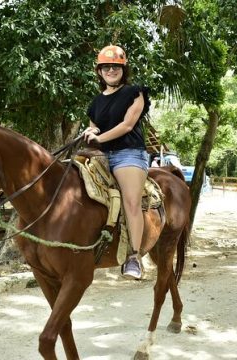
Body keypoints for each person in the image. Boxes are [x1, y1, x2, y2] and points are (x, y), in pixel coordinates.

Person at [83, 45, 151, 280]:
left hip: (128, 153)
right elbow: (95, 127)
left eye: (115, 66)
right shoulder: (95, 103)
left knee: (131, 202)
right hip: (102, 154)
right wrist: (90, 133)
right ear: (99, 71)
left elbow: (127, 125)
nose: (111, 70)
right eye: (106, 67)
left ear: (123, 69)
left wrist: (99, 137)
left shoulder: (135, 93)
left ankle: (134, 258)